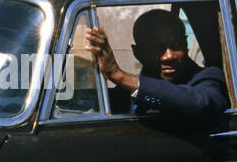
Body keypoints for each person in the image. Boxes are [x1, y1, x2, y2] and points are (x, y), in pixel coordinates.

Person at [85, 9, 228, 125]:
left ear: (186, 44)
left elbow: (200, 104)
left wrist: (118, 75)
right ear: (138, 53)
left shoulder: (209, 78)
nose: (169, 56)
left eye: (176, 45)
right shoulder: (126, 93)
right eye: (157, 48)